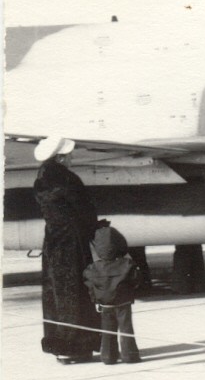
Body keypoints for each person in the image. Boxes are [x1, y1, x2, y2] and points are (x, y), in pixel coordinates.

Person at [33, 136, 101, 364]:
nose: (72, 158)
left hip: (53, 241)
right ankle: (78, 346)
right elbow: (85, 209)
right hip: (73, 242)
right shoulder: (68, 179)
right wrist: (94, 229)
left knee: (55, 293)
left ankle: (60, 345)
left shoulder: (41, 179)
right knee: (76, 292)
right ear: (61, 157)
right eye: (69, 155)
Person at [83, 223, 141, 365]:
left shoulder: (93, 268)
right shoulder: (127, 264)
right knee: (126, 327)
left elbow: (90, 285)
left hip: (105, 303)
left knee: (107, 330)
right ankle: (130, 355)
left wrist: (95, 300)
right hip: (123, 301)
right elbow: (136, 280)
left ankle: (108, 357)